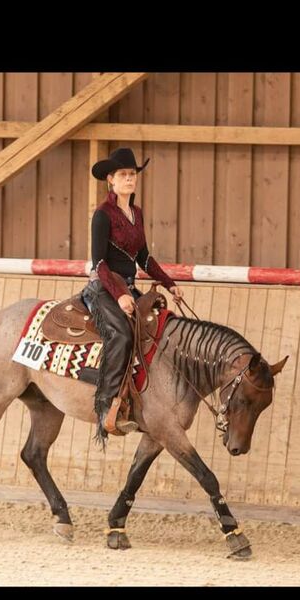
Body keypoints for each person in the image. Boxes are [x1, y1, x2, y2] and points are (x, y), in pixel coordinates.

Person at [82, 147, 184, 445]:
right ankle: (106, 407)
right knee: (122, 337)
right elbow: (99, 263)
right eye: (123, 175)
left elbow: (144, 258)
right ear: (110, 180)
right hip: (104, 287)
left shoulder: (136, 214)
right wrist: (118, 295)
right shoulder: (102, 215)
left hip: (128, 286)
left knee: (158, 328)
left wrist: (169, 283)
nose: (130, 179)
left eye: (132, 174)